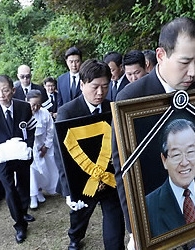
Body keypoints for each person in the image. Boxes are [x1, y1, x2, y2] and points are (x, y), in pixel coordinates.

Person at [112, 17, 195, 247]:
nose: (193, 72)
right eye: (185, 62)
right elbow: (122, 168)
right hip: (153, 215)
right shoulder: (131, 98)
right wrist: (135, 227)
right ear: (160, 55)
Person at [56, 59, 125, 250]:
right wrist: (69, 190)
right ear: (82, 84)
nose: (100, 92)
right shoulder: (67, 112)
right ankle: (75, 238)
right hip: (82, 181)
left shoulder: (113, 108)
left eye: (105, 86)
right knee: (79, 217)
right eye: (95, 87)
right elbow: (60, 155)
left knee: (115, 224)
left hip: (110, 179)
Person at [0, 75, 36, 243]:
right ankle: (19, 225)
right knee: (10, 189)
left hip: (21, 154)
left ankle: (23, 211)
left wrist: (29, 146)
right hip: (1, 157)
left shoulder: (24, 107)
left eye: (5, 90)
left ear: (13, 90)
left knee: (24, 185)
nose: (1, 95)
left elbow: (31, 128)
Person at [146, 119, 195, 238]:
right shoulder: (147, 207)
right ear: (164, 160)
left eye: (190, 152)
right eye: (176, 155)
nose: (185, 162)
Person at [26, 89, 59, 209]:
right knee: (32, 172)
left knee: (46, 170)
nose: (35, 107)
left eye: (38, 104)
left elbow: (51, 130)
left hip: (44, 146)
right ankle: (33, 195)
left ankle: (41, 190)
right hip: (30, 148)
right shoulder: (23, 113)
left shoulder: (45, 113)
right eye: (32, 104)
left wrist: (46, 146)